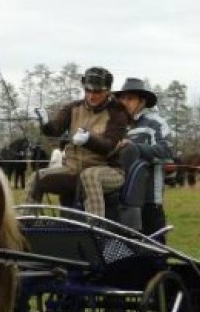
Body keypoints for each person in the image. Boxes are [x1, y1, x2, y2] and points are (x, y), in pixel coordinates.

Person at [23, 66, 129, 217]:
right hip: (72, 169)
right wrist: (45, 124)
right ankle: (25, 226)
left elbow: (109, 146)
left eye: (97, 92)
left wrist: (88, 140)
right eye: (88, 90)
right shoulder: (73, 108)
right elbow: (56, 129)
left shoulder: (118, 113)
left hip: (108, 170)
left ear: (108, 91)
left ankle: (95, 230)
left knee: (89, 176)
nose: (91, 96)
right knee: (36, 178)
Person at [113, 78, 173, 241]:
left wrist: (135, 148)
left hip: (149, 200)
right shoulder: (116, 125)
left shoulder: (155, 124)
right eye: (122, 98)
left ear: (142, 101)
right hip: (119, 200)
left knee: (154, 253)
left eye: (130, 98)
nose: (125, 102)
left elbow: (167, 152)